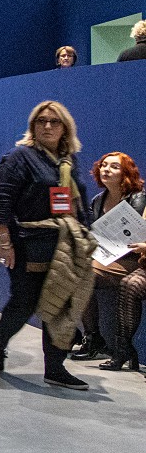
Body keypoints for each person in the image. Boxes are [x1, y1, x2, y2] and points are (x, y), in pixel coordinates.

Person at [0, 101, 97, 391]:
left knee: (61, 306)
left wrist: (84, 233)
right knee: (26, 303)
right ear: (33, 126)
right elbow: (2, 200)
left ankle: (55, 368)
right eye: (41, 121)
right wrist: (4, 242)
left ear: (65, 128)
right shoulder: (20, 157)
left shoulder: (67, 160)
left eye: (54, 122)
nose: (47, 126)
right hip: (28, 243)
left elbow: (78, 202)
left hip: (65, 244)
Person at [74, 153, 146, 369]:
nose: (106, 170)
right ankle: (92, 337)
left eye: (114, 167)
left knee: (85, 273)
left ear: (126, 173)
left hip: (134, 259)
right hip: (108, 258)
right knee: (78, 272)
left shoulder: (140, 199)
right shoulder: (98, 201)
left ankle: (103, 342)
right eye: (103, 165)